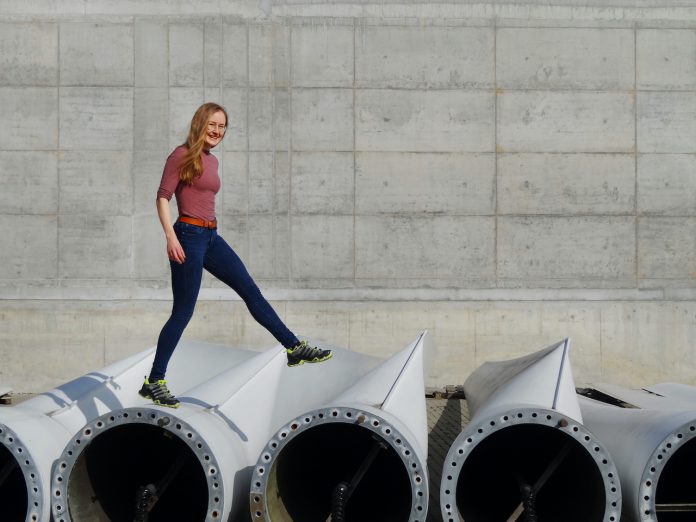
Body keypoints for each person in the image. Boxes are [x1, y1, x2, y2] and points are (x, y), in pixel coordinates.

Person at [139, 102, 332, 408]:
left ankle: (293, 347)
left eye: (222, 126)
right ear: (199, 125)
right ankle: (154, 381)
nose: (217, 131)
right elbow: (162, 197)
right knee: (183, 312)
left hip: (211, 235)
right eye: (212, 125)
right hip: (187, 236)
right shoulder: (180, 155)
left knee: (250, 291)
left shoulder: (211, 161)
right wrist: (170, 237)